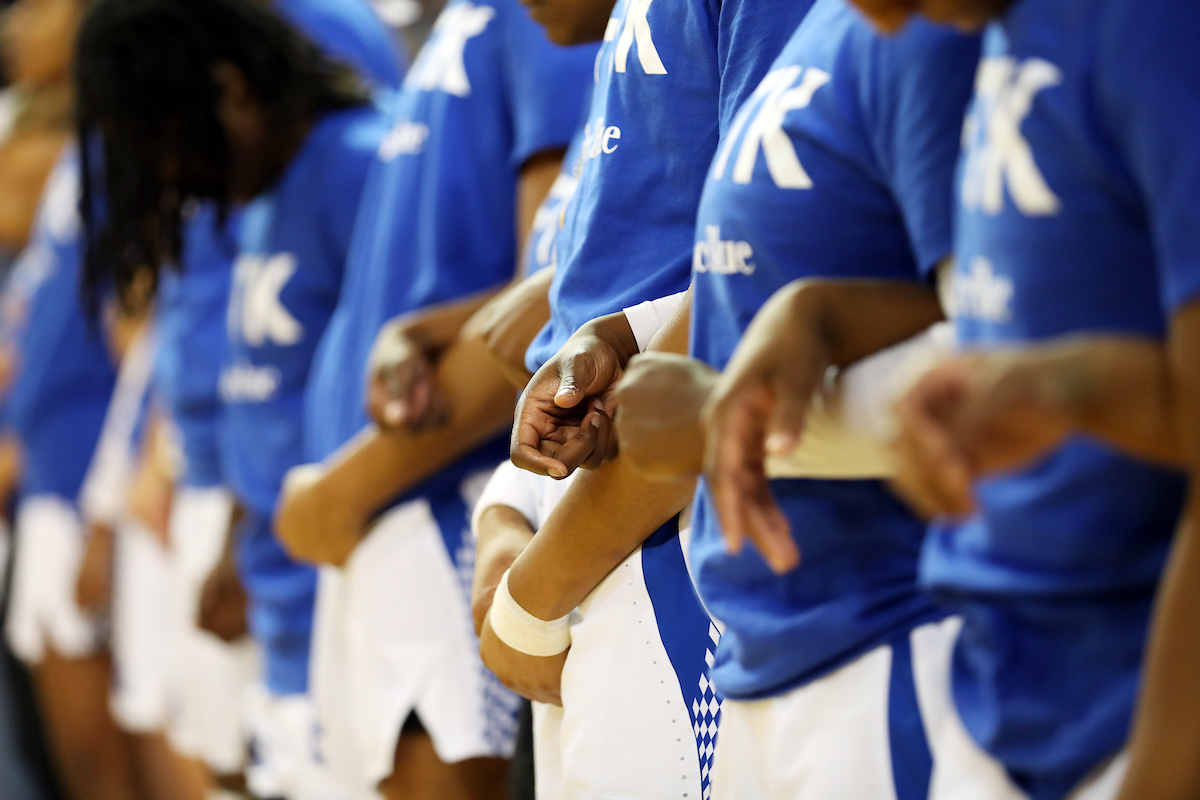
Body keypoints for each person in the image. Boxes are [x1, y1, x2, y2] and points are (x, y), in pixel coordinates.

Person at [602, 1, 981, 797]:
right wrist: (633, 332)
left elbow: (1002, 363)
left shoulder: (931, 30)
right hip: (767, 647)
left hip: (888, 628)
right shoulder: (833, 27)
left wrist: (719, 423)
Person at [470, 0, 816, 796]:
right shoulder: (626, 39)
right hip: (593, 541)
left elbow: (768, 271)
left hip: (679, 534)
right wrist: (509, 513)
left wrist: (532, 593)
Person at [273, 3, 595, 796]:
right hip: (388, 511)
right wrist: (422, 327)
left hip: (443, 501)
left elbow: (559, 306)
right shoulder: (471, 21)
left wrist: (345, 491)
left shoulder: (548, 19)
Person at [73, 0, 394, 795]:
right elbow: (274, 396)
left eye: (168, 140)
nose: (172, 175)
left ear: (230, 90)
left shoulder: (361, 164)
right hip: (267, 566)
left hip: (350, 581)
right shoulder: (260, 197)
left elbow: (392, 396)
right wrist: (236, 538)